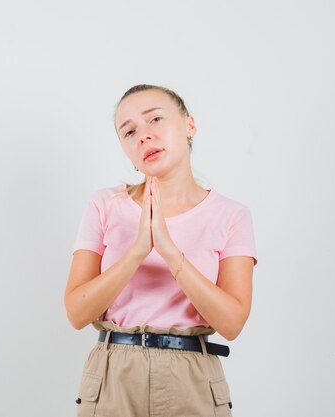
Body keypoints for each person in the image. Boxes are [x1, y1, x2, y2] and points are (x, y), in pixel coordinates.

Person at [64, 84, 258, 417]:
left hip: (192, 375)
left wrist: (169, 252)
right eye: (129, 132)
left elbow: (232, 323)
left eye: (155, 119)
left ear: (189, 126)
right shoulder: (104, 205)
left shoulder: (231, 215)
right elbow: (77, 313)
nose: (143, 136)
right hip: (113, 373)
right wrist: (138, 251)